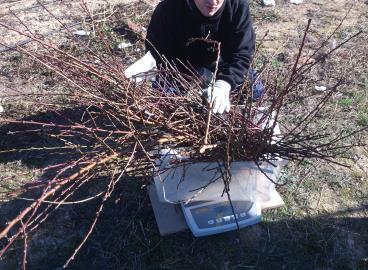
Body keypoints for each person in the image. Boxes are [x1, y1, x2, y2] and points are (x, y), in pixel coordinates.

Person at [125, 0, 256, 114]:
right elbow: (158, 53)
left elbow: (242, 53)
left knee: (254, 90)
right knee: (166, 102)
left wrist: (224, 84)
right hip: (181, 67)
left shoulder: (238, 6)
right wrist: (195, 75)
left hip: (221, 64)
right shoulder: (168, 9)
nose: (213, 2)